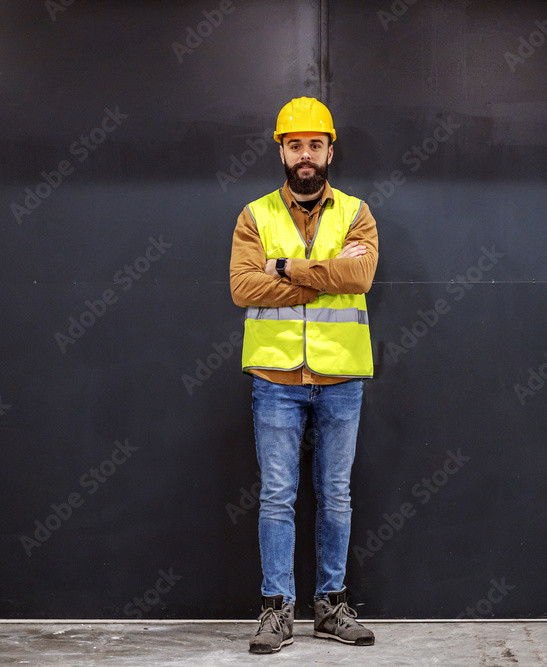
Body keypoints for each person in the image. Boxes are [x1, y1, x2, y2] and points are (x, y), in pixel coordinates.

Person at [229, 97, 378, 654]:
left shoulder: (357, 212)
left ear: (329, 150)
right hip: (276, 378)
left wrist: (287, 268)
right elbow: (243, 287)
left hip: (341, 376)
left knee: (336, 496)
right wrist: (325, 275)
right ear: (282, 151)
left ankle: (331, 607)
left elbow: (360, 275)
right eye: (296, 145)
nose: (306, 154)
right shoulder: (255, 215)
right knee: (276, 497)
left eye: (315, 144)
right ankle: (277, 612)